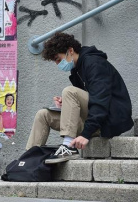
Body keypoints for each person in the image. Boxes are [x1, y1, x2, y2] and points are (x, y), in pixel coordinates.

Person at [26, 32, 133, 164]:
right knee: (43, 115)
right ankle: (27, 161)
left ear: (70, 51)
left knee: (70, 91)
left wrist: (85, 134)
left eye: (58, 59)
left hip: (108, 120)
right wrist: (67, 104)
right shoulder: (76, 70)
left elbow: (100, 101)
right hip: (93, 119)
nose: (57, 64)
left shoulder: (94, 63)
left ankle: (68, 146)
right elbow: (88, 99)